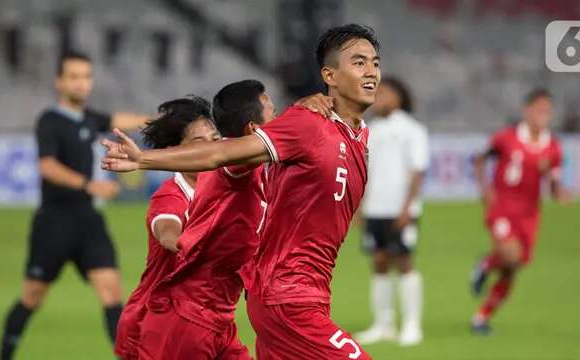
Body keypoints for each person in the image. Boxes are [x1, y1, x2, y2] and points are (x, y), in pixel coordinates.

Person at [101, 24, 380, 360]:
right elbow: (219, 155)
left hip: (256, 306)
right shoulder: (297, 130)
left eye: (375, 63)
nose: (372, 71)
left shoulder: (353, 138)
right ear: (329, 75)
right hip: (253, 303)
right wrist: (143, 159)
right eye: (359, 62)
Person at [126, 81, 333, 359]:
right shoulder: (235, 167)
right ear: (252, 130)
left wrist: (303, 107)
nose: (282, 123)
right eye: (273, 115)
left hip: (218, 319)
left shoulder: (257, 169)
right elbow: (168, 227)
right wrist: (143, 159)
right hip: (186, 319)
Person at [0, 50, 148, 360]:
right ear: (60, 81)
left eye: (86, 77)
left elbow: (124, 120)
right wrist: (88, 185)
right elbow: (47, 167)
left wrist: (167, 120)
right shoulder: (50, 121)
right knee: (32, 297)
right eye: (75, 77)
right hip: (54, 221)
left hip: (88, 221)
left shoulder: (90, 118)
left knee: (111, 292)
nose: (82, 83)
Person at [115, 96, 220, 359]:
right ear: (176, 151)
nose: (210, 149)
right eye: (198, 142)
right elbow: (167, 232)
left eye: (215, 140)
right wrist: (194, 244)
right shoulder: (170, 196)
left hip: (205, 322)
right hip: (153, 325)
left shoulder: (224, 186)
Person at [470, 88, 570, 335]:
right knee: (511, 256)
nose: (543, 114)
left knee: (511, 269)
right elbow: (480, 160)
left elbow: (555, 188)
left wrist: (560, 191)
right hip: (502, 208)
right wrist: (485, 190)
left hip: (529, 215)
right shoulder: (506, 138)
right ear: (527, 110)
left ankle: (481, 318)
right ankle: (485, 263)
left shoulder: (552, 148)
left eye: (547, 110)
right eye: (538, 109)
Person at [355, 77, 429, 346]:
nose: (378, 99)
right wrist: (360, 207)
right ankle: (383, 324)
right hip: (375, 208)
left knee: (405, 261)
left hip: (399, 209)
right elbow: (364, 173)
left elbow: (418, 171)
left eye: (384, 93)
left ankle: (411, 324)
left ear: (399, 97)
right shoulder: (370, 130)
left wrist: (408, 207)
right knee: (379, 262)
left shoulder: (412, 129)